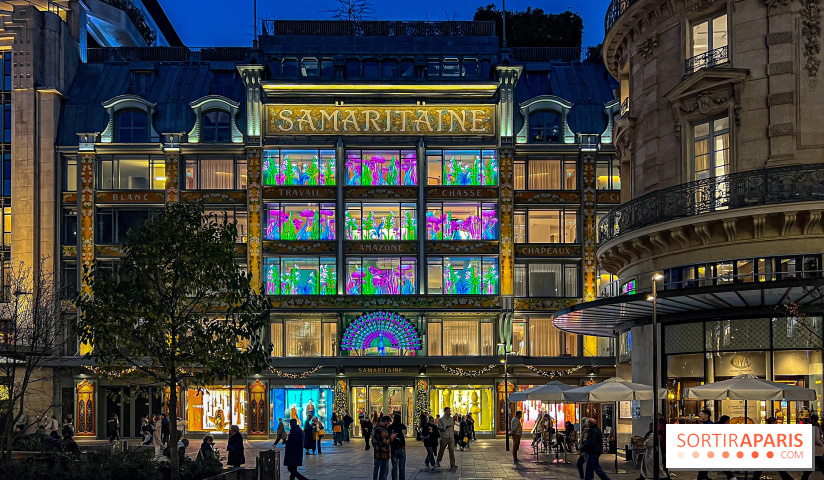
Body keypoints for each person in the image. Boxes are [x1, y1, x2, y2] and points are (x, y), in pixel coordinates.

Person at [801, 414, 824, 480]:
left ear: (813, 420)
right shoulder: (817, 427)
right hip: (815, 450)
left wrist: (821, 444)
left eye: (810, 419)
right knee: (819, 464)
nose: (809, 420)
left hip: (815, 449)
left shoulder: (815, 428)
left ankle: (804, 478)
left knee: (818, 464)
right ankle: (804, 478)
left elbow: (816, 439)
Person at [372, 415, 393, 480]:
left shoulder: (375, 429)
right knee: (384, 472)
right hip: (383, 454)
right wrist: (391, 438)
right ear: (385, 422)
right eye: (388, 423)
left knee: (376, 470)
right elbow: (384, 443)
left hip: (377, 454)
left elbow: (373, 442)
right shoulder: (382, 430)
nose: (388, 424)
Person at [388, 413, 407, 480]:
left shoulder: (390, 427)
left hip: (394, 448)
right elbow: (404, 435)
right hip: (402, 447)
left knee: (394, 466)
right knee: (402, 467)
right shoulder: (403, 426)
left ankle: (394, 478)